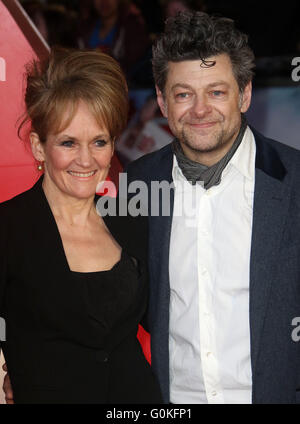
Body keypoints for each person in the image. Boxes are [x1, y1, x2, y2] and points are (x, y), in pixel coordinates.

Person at [122, 11, 300, 404]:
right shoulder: (135, 187)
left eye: (216, 92)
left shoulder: (295, 183)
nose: (200, 110)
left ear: (245, 94)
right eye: (184, 94)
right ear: (162, 102)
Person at [0, 48, 162, 404]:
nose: (86, 160)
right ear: (39, 146)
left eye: (99, 142)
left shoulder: (131, 219)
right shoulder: (8, 229)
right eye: (68, 142)